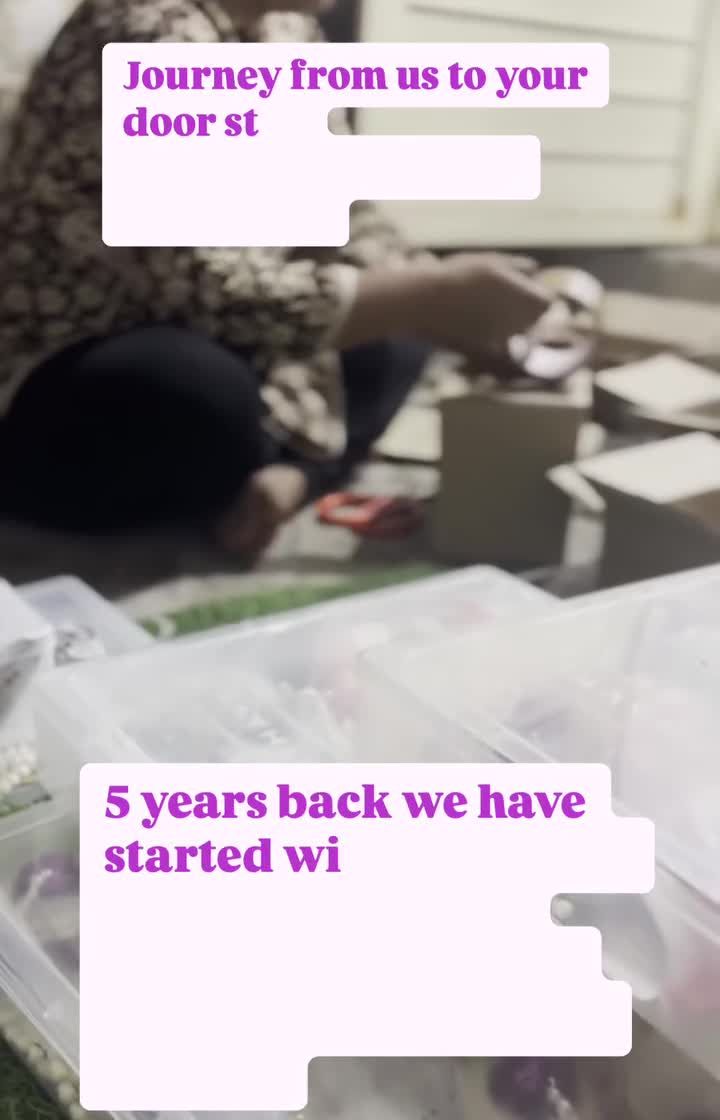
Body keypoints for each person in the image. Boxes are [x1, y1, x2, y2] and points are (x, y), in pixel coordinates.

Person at [0, 0, 550, 558]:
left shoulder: (289, 32)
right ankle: (299, 461)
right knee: (194, 391)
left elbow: (344, 206)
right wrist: (430, 298)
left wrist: (449, 301)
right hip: (87, 349)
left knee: (395, 327)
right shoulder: (147, 32)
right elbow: (202, 291)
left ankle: (288, 474)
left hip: (243, 325)